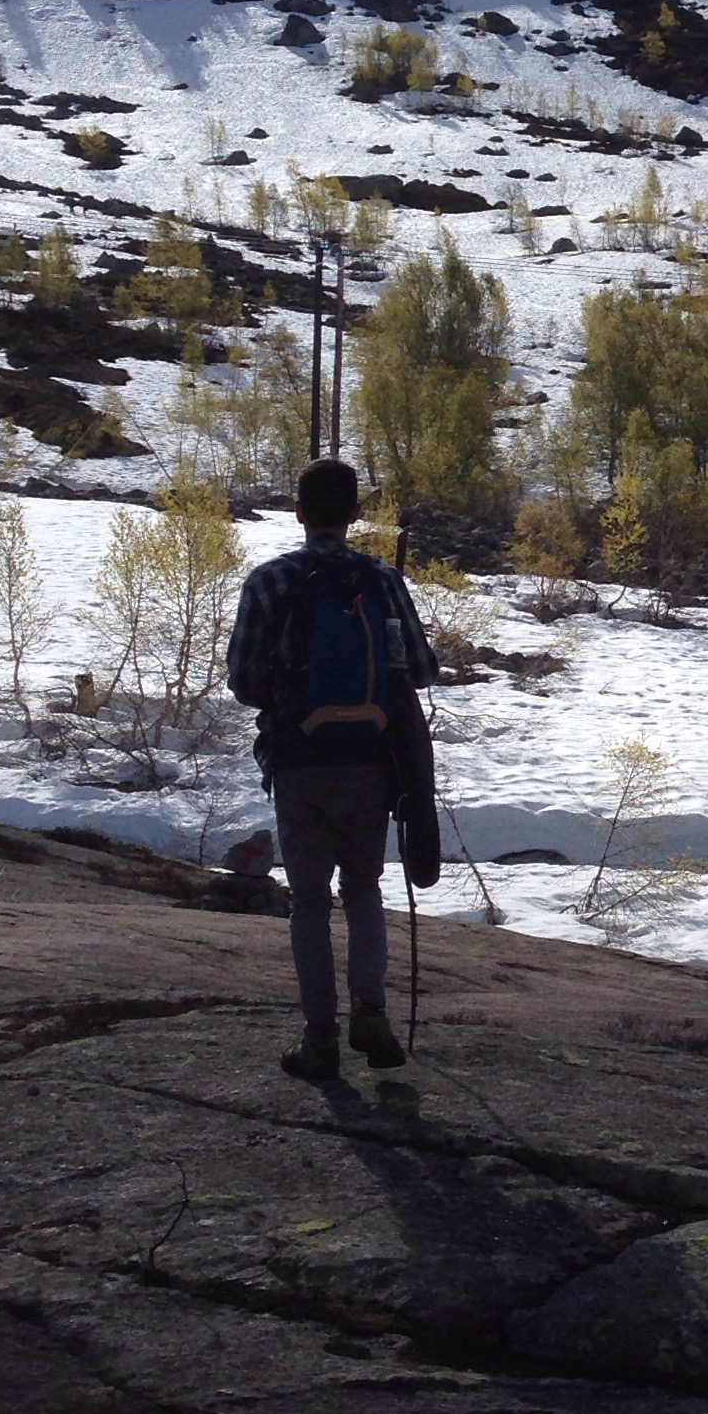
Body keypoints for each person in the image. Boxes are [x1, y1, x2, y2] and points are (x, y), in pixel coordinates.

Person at [227, 459, 439, 1080]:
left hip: (298, 764)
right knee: (364, 890)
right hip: (370, 764)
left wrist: (295, 695)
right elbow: (421, 671)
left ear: (299, 511)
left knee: (310, 903)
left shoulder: (270, 581)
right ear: (353, 515)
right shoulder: (380, 580)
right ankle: (370, 1015)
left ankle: (319, 1038)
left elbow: (243, 680)